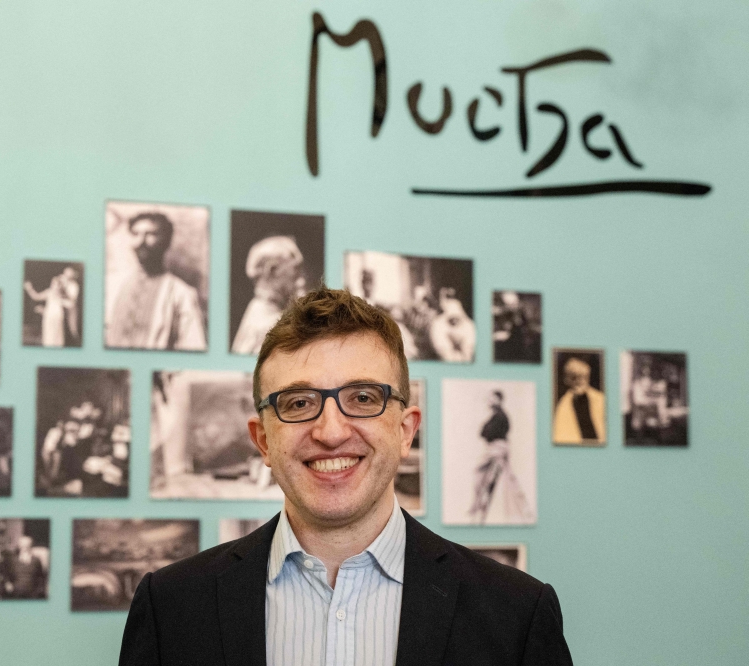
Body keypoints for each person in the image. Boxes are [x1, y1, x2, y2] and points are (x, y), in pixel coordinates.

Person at [119, 287, 572, 666]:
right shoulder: (172, 608)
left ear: (405, 430)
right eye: (298, 403)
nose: (331, 432)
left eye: (362, 397)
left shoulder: (517, 615)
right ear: (263, 442)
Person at [106, 212, 206, 350]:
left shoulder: (181, 293)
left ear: (166, 241)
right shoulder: (113, 284)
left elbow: (193, 346)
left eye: (151, 234)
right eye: (135, 234)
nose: (141, 242)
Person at [231, 236, 306, 355]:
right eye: (295, 270)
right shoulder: (271, 325)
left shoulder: (256, 310)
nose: (301, 281)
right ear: (272, 270)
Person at [470, 391, 534, 524]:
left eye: (493, 399)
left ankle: (482, 508)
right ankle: (480, 508)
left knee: (492, 478)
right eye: (489, 399)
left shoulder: (500, 416)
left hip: (497, 449)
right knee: (488, 478)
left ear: (498, 400)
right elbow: (482, 432)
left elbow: (489, 432)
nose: (490, 401)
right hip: (495, 449)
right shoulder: (494, 416)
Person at [553, 357, 606, 444]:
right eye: (574, 377)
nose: (579, 382)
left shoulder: (600, 399)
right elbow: (560, 437)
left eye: (583, 377)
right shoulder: (563, 405)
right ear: (567, 380)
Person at [24, 266, 80, 347]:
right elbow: (36, 297)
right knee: (48, 337)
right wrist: (29, 288)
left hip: (57, 318)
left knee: (58, 337)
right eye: (52, 283)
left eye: (56, 284)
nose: (54, 286)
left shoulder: (65, 293)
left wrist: (64, 297)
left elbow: (70, 304)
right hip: (49, 317)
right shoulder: (49, 292)